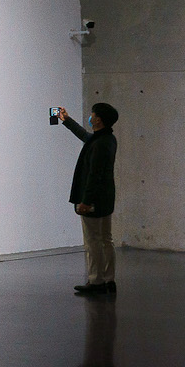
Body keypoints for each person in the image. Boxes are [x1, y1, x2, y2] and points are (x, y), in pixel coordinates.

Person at [59, 102, 119, 295]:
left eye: (93, 115)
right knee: (106, 239)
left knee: (93, 241)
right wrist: (67, 120)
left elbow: (94, 176)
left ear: (98, 119)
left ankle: (96, 281)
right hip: (105, 200)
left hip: (94, 201)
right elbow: (85, 136)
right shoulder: (107, 139)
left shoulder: (100, 144)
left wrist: (85, 201)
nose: (90, 117)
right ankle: (108, 279)